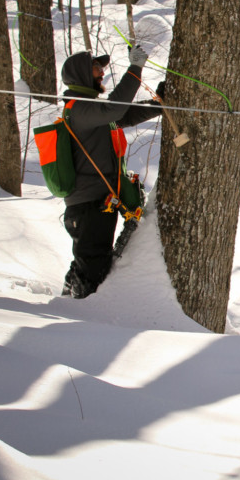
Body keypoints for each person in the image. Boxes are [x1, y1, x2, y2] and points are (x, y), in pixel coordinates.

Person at [60, 47, 163, 298]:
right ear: (82, 75)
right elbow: (115, 111)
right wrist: (135, 68)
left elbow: (122, 116)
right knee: (93, 267)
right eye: (97, 68)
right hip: (88, 204)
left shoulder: (89, 109)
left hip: (95, 202)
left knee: (89, 259)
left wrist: (158, 105)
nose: (102, 73)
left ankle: (68, 299)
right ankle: (79, 315)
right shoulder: (79, 109)